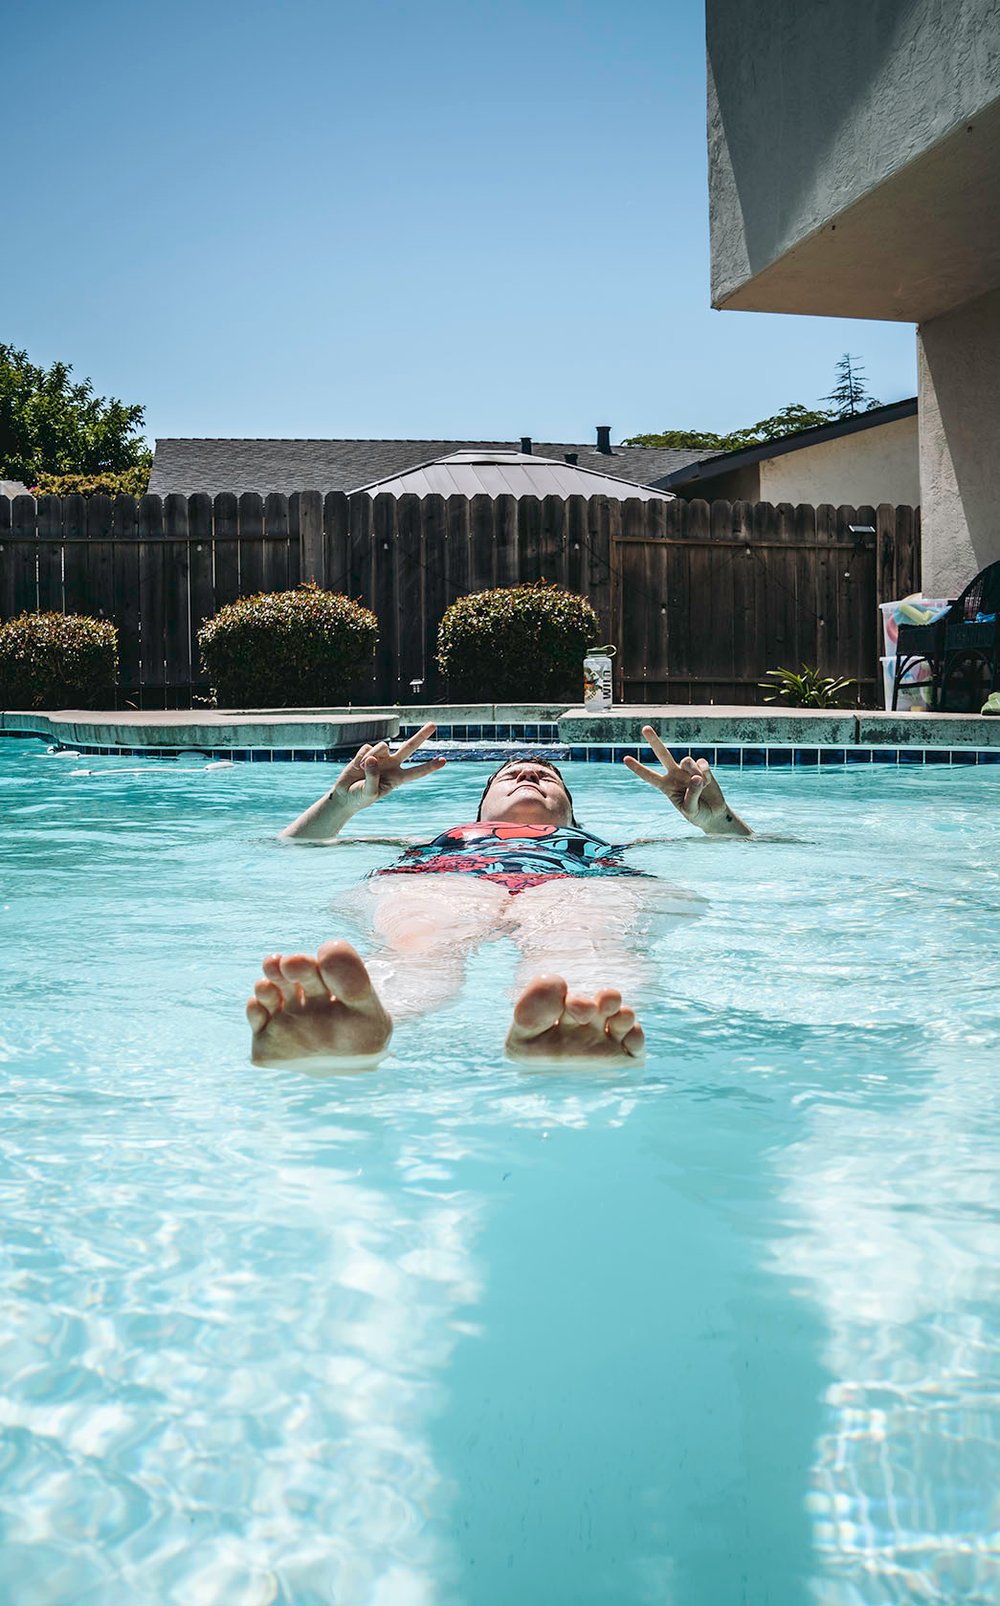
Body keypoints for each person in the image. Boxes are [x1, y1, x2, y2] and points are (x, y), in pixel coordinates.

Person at [246, 724, 752, 1072]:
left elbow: (764, 855)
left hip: (576, 883)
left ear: (572, 819)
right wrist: (342, 802)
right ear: (482, 808)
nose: (528, 775)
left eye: (547, 777)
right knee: (425, 934)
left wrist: (718, 822)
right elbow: (292, 848)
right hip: (445, 878)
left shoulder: (606, 848)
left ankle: (569, 1020)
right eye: (509, 776)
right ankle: (355, 1022)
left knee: (580, 931)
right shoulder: (435, 843)